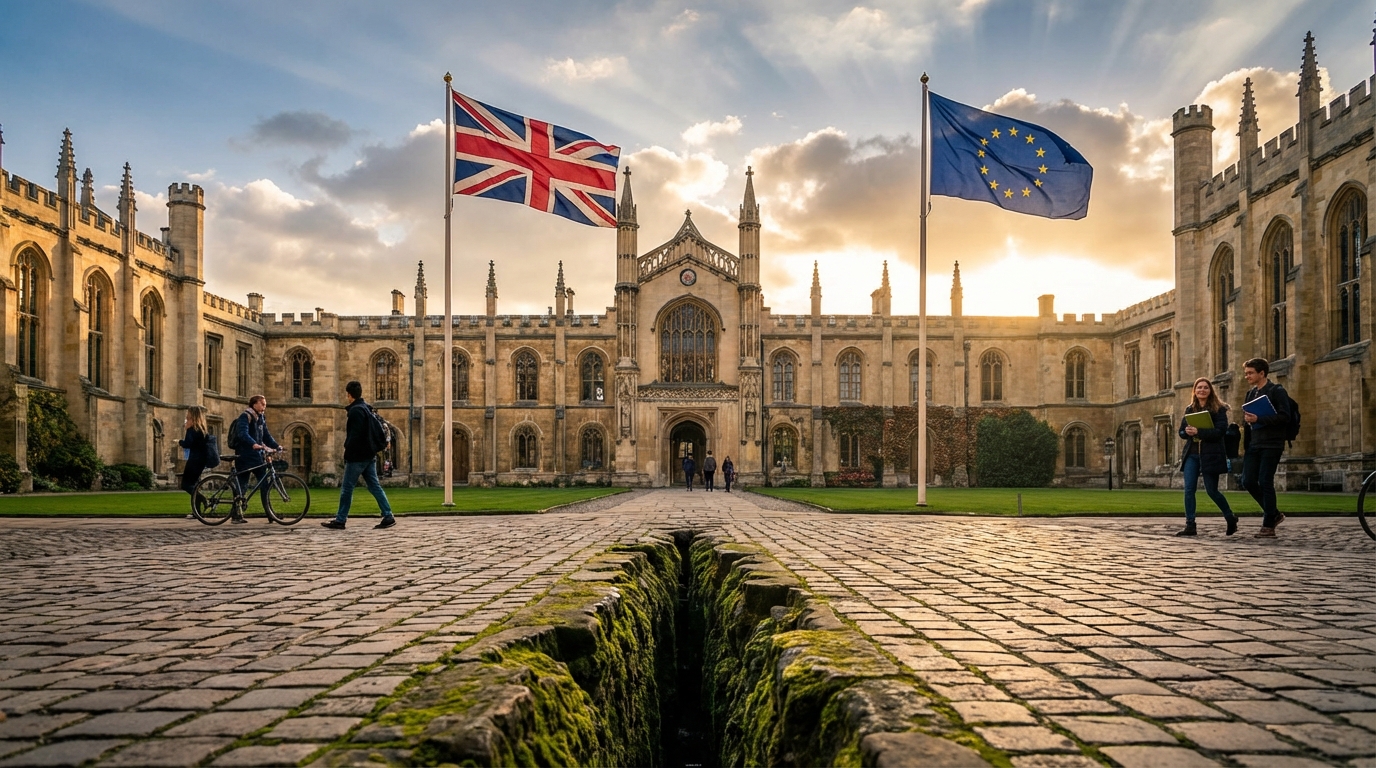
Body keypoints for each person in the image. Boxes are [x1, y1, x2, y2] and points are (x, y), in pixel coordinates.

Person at [322, 380, 396, 530]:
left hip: (358, 456)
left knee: (347, 488)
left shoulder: (356, 411)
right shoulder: (367, 408)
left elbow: (355, 436)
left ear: (349, 395)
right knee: (374, 486)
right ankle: (388, 515)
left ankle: (341, 519)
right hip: (369, 455)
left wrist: (348, 451)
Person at [1177, 378, 1238, 537]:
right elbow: (1182, 432)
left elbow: (1220, 432)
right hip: (1192, 454)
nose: (1202, 390)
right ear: (1195, 391)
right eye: (1199, 388)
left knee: (1212, 491)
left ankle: (1230, 517)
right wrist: (1187, 432)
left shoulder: (1219, 410)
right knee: (1189, 490)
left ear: (1210, 390)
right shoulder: (1190, 409)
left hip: (1210, 454)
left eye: (1205, 388)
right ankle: (1190, 525)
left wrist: (1199, 432)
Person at [1240, 358, 1291, 538]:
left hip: (1272, 443)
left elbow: (1285, 417)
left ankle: (1268, 524)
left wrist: (1259, 419)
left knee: (1265, 481)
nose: (1247, 376)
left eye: (1250, 373)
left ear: (1262, 373)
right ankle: (1274, 513)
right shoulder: (1250, 394)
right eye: (1246, 373)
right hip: (1254, 443)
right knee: (1247, 481)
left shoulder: (1277, 391)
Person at [228, 395, 280, 523]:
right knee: (242, 486)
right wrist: (253, 443)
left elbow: (266, 436)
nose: (264, 407)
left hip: (257, 456)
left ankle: (270, 514)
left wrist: (277, 446)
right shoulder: (245, 416)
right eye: (262, 404)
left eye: (265, 404)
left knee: (265, 485)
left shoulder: (261, 418)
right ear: (254, 404)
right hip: (244, 456)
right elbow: (242, 433)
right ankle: (236, 515)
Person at [179, 406, 211, 514]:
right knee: (195, 485)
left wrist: (180, 442)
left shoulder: (192, 430)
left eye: (188, 414)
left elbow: (188, 444)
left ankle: (203, 499)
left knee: (186, 485)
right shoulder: (202, 429)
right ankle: (197, 512)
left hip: (194, 460)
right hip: (202, 460)